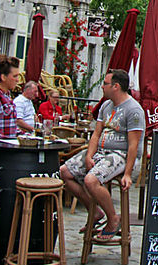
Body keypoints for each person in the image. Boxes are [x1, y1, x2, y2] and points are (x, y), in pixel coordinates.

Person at [60, 69, 145, 239]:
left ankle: (113, 218)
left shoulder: (134, 110)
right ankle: (95, 212)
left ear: (116, 86)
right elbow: (96, 134)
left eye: (105, 84)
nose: (102, 87)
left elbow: (134, 145)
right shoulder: (106, 106)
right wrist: (89, 156)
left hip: (120, 154)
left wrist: (127, 174)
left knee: (91, 180)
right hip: (100, 151)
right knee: (64, 172)